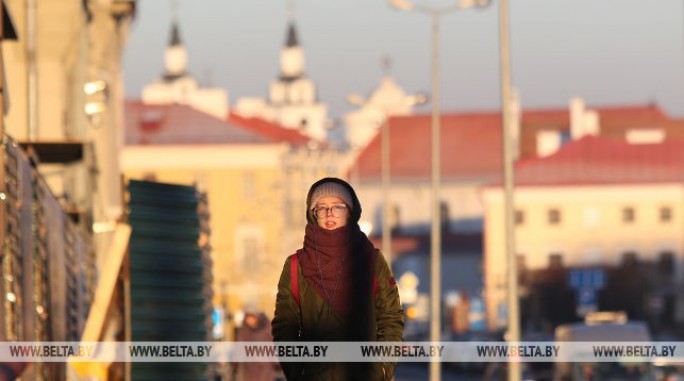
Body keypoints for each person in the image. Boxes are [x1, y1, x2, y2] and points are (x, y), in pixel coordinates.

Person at [272, 177, 404, 380]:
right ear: (313, 214)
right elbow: (285, 325)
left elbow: (391, 317)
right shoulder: (296, 265)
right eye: (321, 207)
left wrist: (383, 369)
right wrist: (296, 371)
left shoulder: (372, 260)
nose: (329, 212)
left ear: (351, 212)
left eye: (338, 206)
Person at [233, 309, 282, 381]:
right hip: (250, 368)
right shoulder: (244, 330)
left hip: (266, 367)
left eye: (252, 317)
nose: (250, 321)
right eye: (248, 318)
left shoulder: (267, 328)